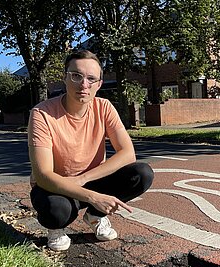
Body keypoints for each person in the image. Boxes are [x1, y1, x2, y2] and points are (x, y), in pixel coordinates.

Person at [28, 49, 154, 251]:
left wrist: (82, 181)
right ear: (65, 78)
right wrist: (93, 197)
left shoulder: (104, 107)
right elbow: (43, 176)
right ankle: (56, 228)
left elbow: (128, 154)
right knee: (57, 210)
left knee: (142, 173)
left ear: (99, 84)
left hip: (90, 179)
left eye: (91, 78)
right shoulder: (41, 113)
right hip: (56, 186)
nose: (84, 85)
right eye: (76, 76)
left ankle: (95, 216)